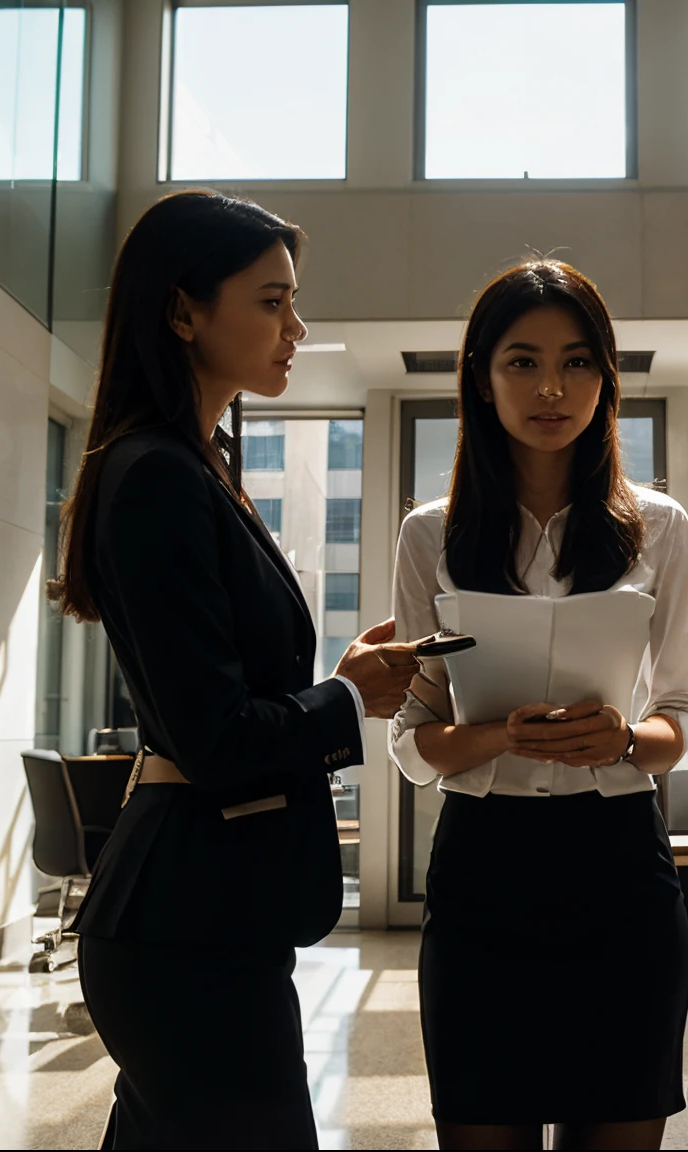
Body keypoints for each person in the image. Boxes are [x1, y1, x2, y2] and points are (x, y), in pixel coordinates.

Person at [51, 192, 420, 1149]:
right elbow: (215, 738)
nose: (297, 328)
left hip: (202, 917)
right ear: (182, 312)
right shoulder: (162, 473)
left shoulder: (195, 462)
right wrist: (347, 700)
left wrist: (335, 682)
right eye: (271, 302)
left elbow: (219, 698)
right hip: (185, 928)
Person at [389, 260, 688, 1151]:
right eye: (522, 362)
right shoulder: (431, 534)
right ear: (482, 380)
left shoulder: (662, 527)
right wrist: (494, 734)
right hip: (483, 871)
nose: (551, 388)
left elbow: (681, 711)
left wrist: (625, 738)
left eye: (576, 362)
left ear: (606, 378)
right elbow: (413, 742)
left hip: (620, 873)